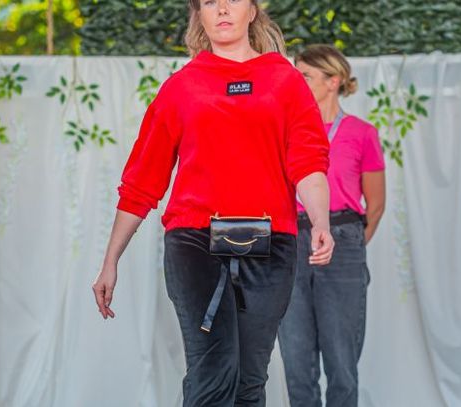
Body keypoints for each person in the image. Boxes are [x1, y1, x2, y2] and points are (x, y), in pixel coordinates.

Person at [92, 2, 335, 406]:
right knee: (212, 372)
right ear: (198, 15)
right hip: (194, 243)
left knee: (249, 380)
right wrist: (110, 260)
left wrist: (321, 222)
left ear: (253, 11)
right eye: (209, 1)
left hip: (271, 243)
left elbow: (308, 162)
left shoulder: (285, 81)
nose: (222, 8)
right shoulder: (181, 87)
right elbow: (141, 181)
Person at [278, 44, 386, 407]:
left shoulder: (362, 133)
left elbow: (376, 203)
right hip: (292, 241)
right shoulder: (286, 132)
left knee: (342, 362)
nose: (298, 82)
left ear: (333, 81)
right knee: (296, 361)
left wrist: (349, 245)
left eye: (306, 76)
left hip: (343, 242)